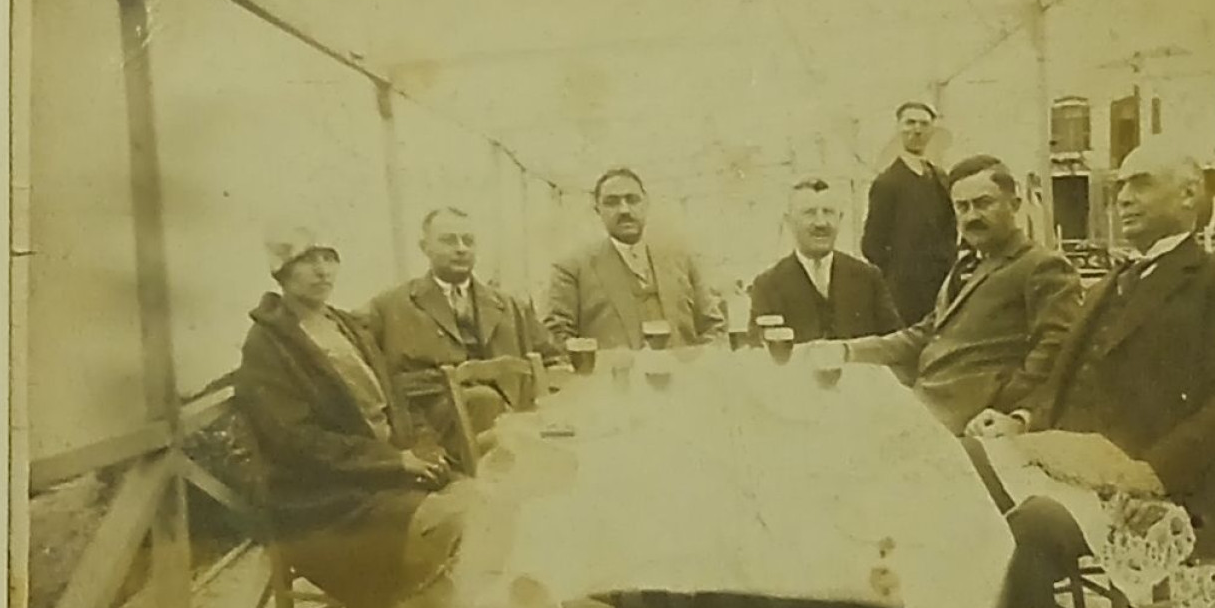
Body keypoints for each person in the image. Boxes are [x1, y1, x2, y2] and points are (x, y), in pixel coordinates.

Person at [964, 139, 1215, 608]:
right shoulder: (1114, 281)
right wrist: (1021, 420)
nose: (1122, 199)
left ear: (1188, 195)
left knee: (1037, 524)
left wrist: (1153, 471)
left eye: (1141, 183)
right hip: (1073, 464)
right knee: (961, 464)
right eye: (1119, 187)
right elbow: (1066, 378)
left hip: (1159, 489)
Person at [235, 227, 466, 608]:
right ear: (281, 272)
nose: (322, 270)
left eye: (328, 257)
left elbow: (399, 399)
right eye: (308, 260)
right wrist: (395, 461)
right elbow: (296, 442)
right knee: (454, 520)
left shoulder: (345, 324)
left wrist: (423, 448)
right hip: (324, 501)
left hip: (386, 473)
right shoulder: (267, 346)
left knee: (492, 503)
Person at [832, 154, 1082, 435]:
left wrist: (1009, 411)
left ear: (1014, 204)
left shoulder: (1041, 265)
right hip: (925, 401)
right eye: (962, 207)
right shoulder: (966, 265)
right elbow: (925, 333)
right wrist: (846, 350)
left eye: (983, 203)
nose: (972, 216)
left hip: (970, 419)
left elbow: (1056, 349)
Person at [365, 207, 558, 468]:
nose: (461, 248)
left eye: (468, 240)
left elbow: (552, 359)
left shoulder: (509, 306)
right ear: (425, 247)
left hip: (515, 433)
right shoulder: (389, 307)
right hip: (435, 440)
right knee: (481, 400)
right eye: (448, 240)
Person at [545, 167, 726, 349]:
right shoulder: (571, 269)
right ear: (597, 210)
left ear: (646, 204)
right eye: (611, 202)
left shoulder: (682, 259)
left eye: (632, 200)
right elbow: (558, 339)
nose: (624, 210)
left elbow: (714, 327)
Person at [748, 177, 902, 342]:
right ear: (789, 221)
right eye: (809, 213)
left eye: (828, 212)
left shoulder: (869, 278)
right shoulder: (768, 286)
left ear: (840, 218)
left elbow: (896, 347)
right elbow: (760, 357)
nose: (821, 223)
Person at [860, 101, 956, 325]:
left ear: (932, 130)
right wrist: (900, 273)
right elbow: (872, 245)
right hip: (905, 292)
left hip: (941, 285)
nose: (917, 130)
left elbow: (950, 229)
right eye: (910, 123)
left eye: (924, 124)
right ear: (898, 128)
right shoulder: (887, 182)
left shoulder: (940, 178)